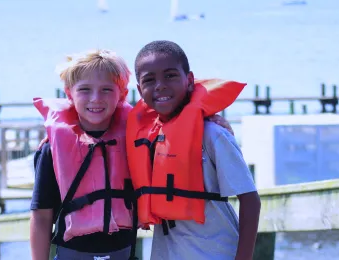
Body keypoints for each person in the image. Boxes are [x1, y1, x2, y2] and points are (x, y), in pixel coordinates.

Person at [30, 49, 235, 260]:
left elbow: (176, 116)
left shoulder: (138, 140)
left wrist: (208, 118)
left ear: (122, 93)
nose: (95, 99)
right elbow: (41, 217)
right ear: (69, 93)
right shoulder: (52, 150)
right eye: (85, 89)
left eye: (106, 90)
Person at [127, 40, 261, 260]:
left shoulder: (214, 134)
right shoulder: (145, 139)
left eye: (170, 75)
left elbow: (250, 200)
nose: (160, 85)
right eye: (149, 80)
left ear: (189, 80)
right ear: (140, 90)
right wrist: (50, 140)